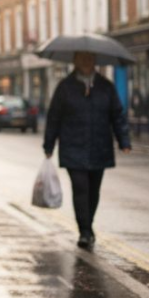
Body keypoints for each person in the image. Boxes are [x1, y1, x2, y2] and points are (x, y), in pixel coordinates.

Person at [43, 51, 131, 251]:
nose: (86, 62)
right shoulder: (65, 87)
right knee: (80, 187)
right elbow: (54, 117)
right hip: (73, 147)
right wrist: (49, 145)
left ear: (94, 61)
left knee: (93, 190)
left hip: (100, 146)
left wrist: (124, 140)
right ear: (75, 60)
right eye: (82, 58)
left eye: (89, 58)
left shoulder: (106, 86)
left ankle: (88, 225)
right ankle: (84, 230)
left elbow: (117, 115)